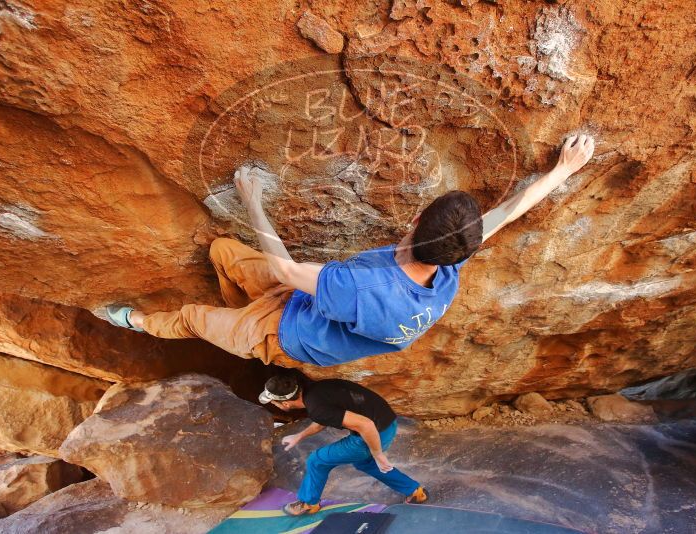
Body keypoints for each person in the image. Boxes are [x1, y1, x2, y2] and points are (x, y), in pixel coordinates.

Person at [105, 135, 595, 366]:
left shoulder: (366, 286)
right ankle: (240, 314)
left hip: (288, 333)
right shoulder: (449, 260)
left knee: (192, 317)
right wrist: (563, 171)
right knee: (222, 251)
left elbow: (285, 267)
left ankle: (130, 321)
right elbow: (509, 211)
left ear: (414, 224)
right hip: (306, 300)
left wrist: (252, 198)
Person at [258, 374, 428, 515]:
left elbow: (365, 425)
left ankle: (308, 503)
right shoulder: (317, 390)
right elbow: (322, 420)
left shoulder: (316, 407)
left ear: (285, 403)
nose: (274, 405)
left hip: (373, 433)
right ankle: (415, 491)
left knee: (317, 460)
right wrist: (299, 436)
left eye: (273, 402)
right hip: (388, 423)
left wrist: (378, 454)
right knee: (365, 462)